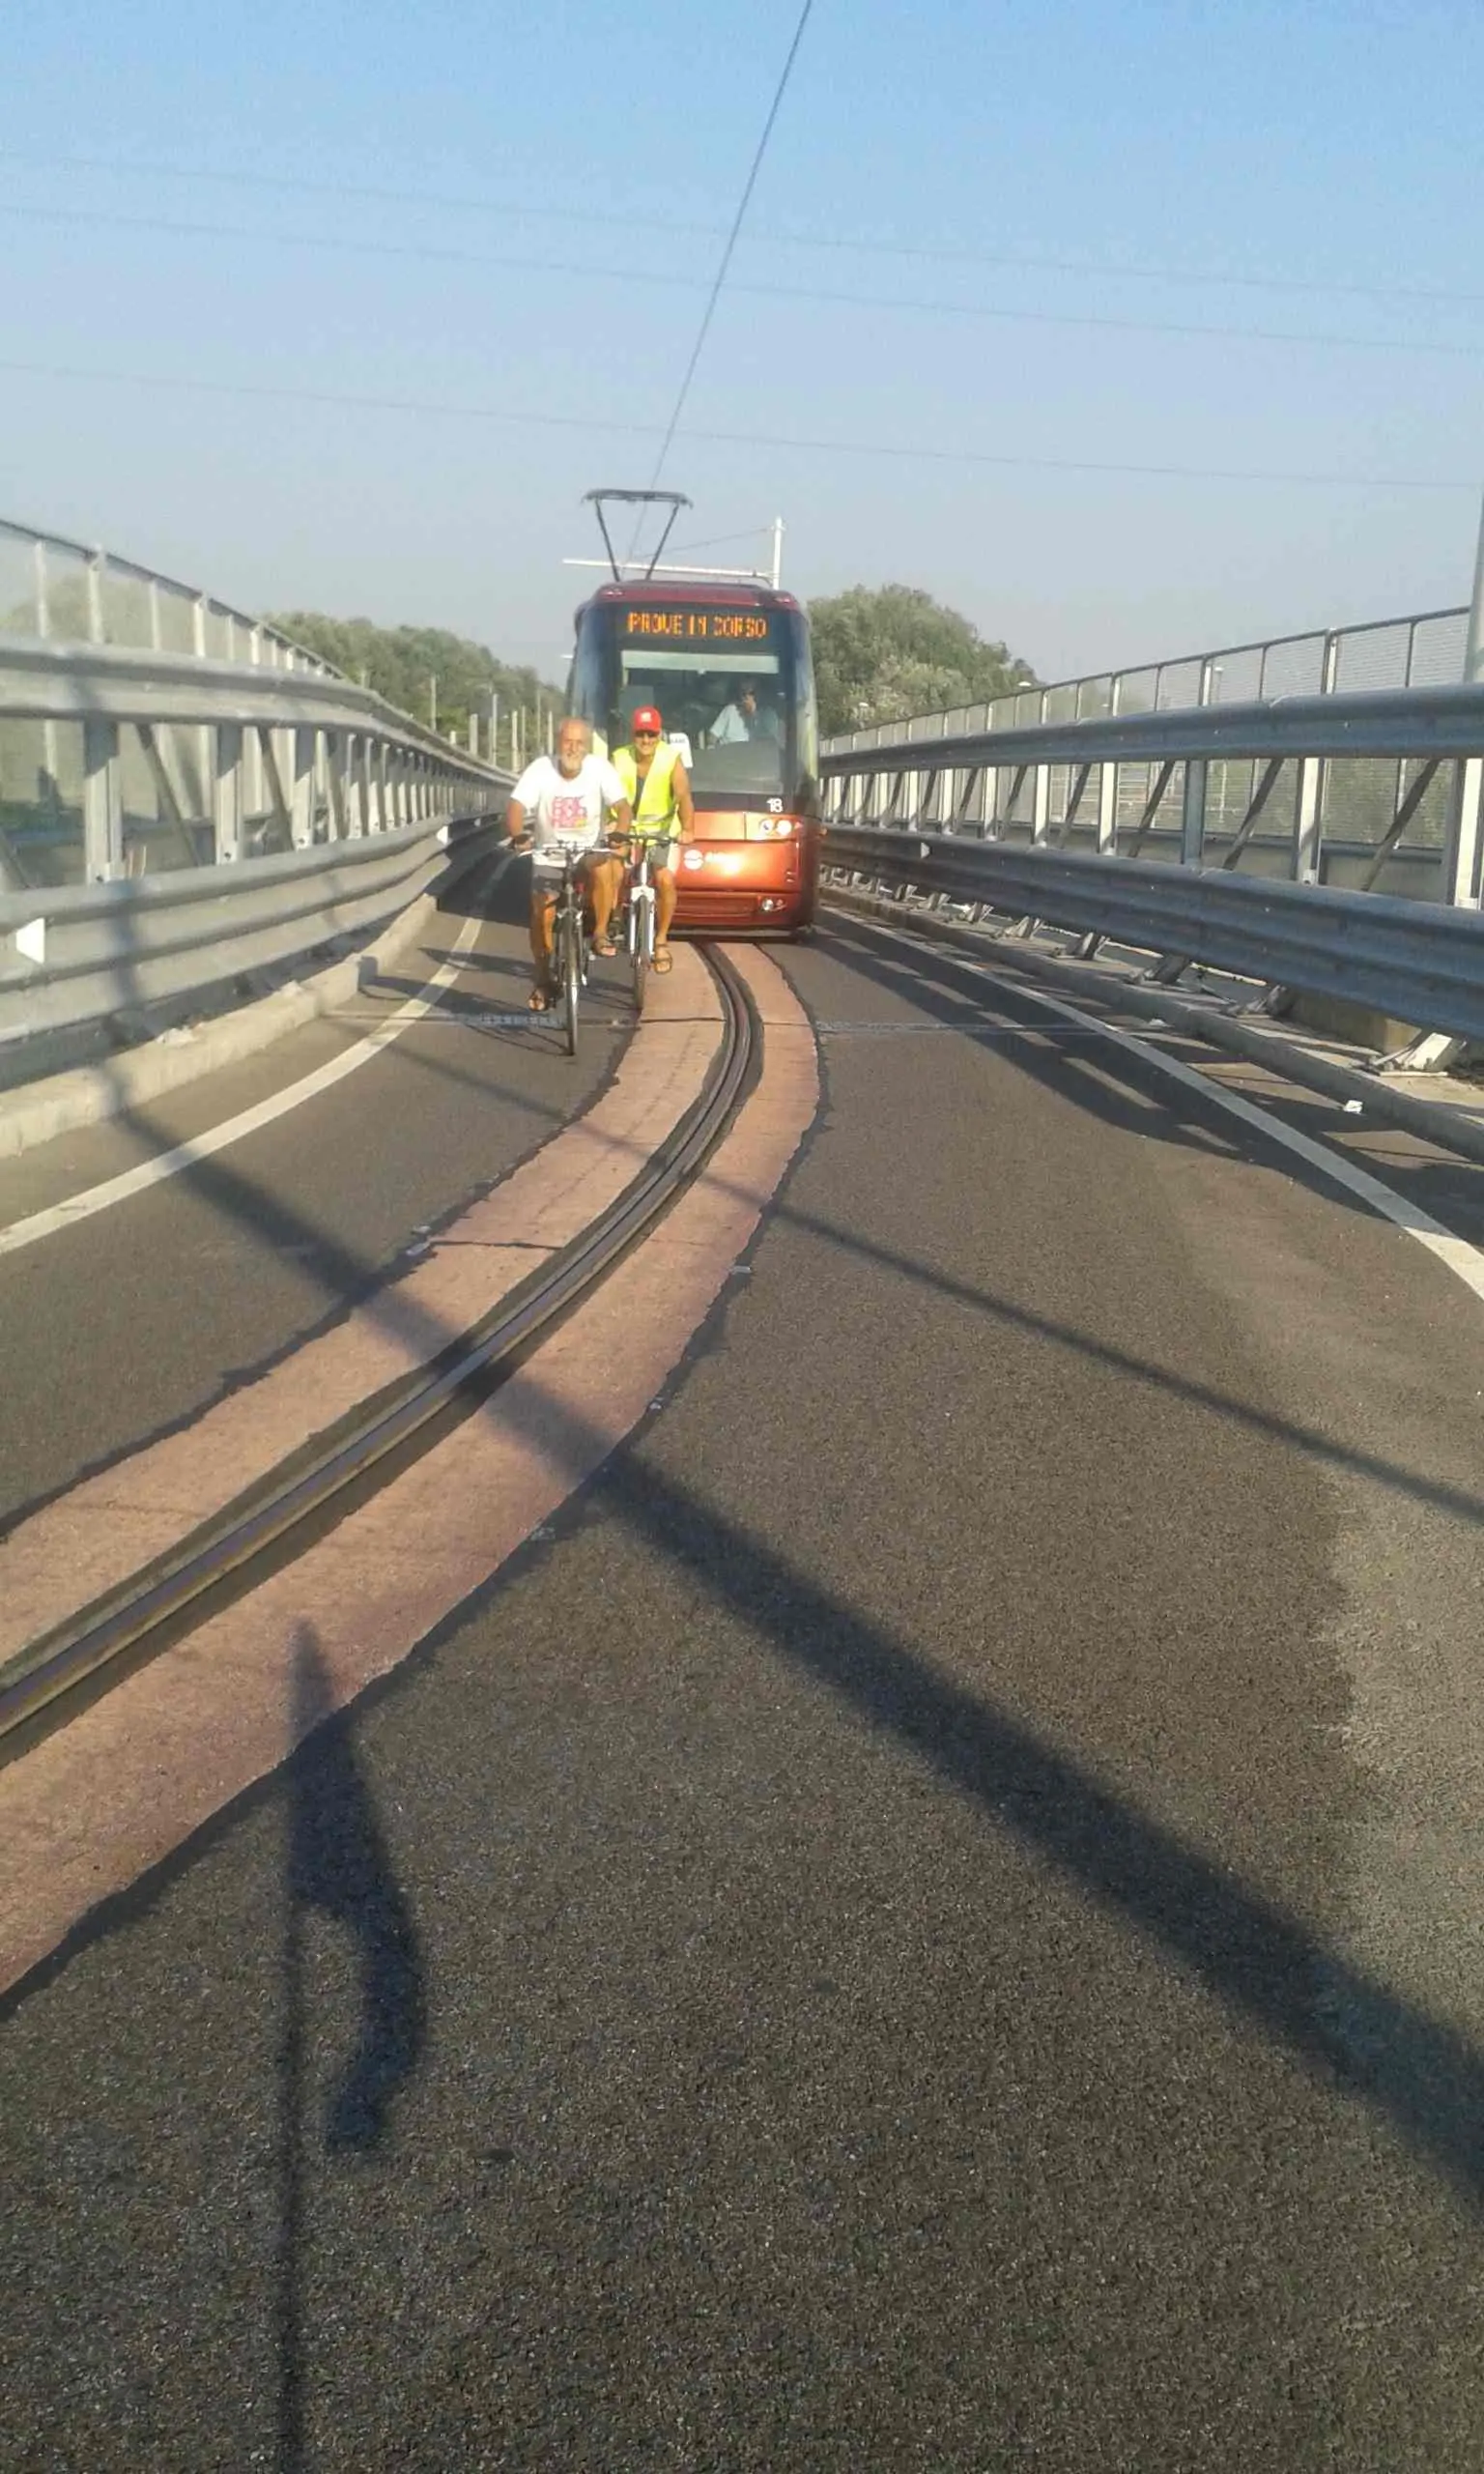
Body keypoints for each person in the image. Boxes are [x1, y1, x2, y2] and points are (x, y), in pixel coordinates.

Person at [505, 717, 630, 1010]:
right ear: (558, 743)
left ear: (587, 747)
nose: (573, 748)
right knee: (541, 912)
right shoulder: (540, 769)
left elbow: (622, 807)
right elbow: (515, 807)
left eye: (579, 743)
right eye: (567, 742)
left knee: (601, 867)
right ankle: (542, 978)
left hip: (587, 848)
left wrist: (621, 832)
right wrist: (518, 834)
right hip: (549, 852)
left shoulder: (600, 769)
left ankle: (599, 933)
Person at [610, 705, 695, 972]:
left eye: (651, 735)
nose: (645, 741)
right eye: (640, 735)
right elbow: (605, 793)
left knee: (664, 879)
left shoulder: (672, 759)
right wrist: (607, 823)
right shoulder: (619, 757)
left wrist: (688, 829)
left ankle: (661, 939)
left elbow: (684, 797)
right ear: (632, 734)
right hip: (626, 827)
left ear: (659, 735)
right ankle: (613, 916)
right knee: (613, 867)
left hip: (662, 830)